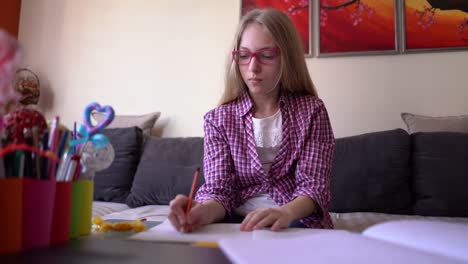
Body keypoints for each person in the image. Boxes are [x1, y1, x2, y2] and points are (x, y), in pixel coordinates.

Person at [168, 8, 335, 232]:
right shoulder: (218, 120)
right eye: (244, 56)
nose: (253, 68)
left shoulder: (312, 112)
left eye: (266, 55)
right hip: (235, 221)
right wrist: (201, 211)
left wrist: (285, 212)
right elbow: (219, 191)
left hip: (295, 218)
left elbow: (313, 187)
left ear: (287, 57)